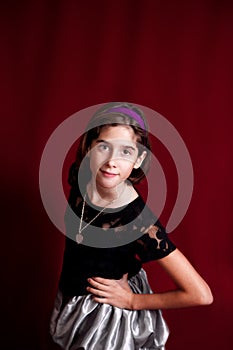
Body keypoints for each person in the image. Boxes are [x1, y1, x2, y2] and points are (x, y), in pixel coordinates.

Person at [50, 102, 213, 350]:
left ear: (139, 159)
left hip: (106, 322)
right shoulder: (82, 179)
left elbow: (201, 294)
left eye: (126, 151)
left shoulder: (136, 219)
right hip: (72, 305)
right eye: (104, 146)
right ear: (89, 148)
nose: (112, 161)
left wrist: (132, 301)